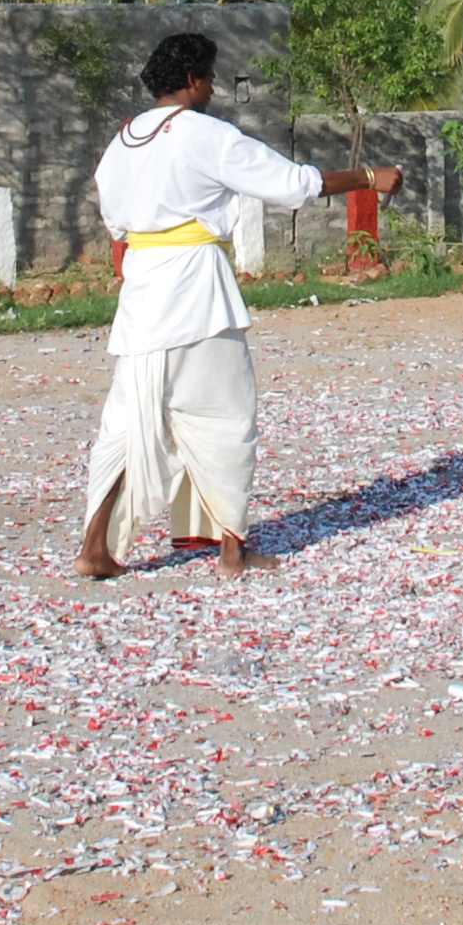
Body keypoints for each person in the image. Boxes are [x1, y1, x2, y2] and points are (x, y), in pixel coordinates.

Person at [80, 31, 402, 580]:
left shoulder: (123, 140)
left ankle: (94, 547)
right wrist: (369, 177)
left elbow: (116, 223)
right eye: (209, 78)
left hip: (141, 293)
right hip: (196, 293)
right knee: (226, 415)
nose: (213, 89)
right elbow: (292, 184)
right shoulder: (205, 134)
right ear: (191, 80)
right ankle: (232, 550)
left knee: (128, 422)